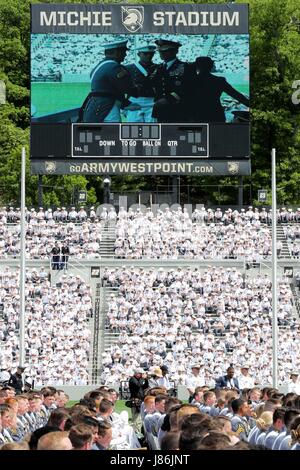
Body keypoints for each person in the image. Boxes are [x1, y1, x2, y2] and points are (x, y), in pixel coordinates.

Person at [80, 40, 141, 123]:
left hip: (96, 106)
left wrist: (125, 103)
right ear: (117, 52)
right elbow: (128, 88)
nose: (125, 55)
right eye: (123, 52)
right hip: (108, 107)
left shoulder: (99, 66)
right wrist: (140, 90)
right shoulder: (114, 67)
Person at [191, 56, 249, 122]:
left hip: (197, 116)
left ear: (197, 66)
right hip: (216, 115)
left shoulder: (191, 81)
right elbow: (236, 95)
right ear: (211, 66)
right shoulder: (219, 81)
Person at [149, 39, 191, 122]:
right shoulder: (157, 68)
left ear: (175, 51)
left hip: (178, 109)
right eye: (160, 51)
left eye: (165, 51)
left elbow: (188, 87)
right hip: (160, 109)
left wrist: (169, 99)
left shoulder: (185, 67)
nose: (161, 53)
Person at [126, 44, 157, 122]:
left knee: (152, 130)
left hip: (152, 101)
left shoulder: (159, 68)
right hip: (135, 100)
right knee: (133, 128)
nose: (148, 56)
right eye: (145, 54)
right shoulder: (128, 68)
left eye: (151, 54)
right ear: (139, 54)